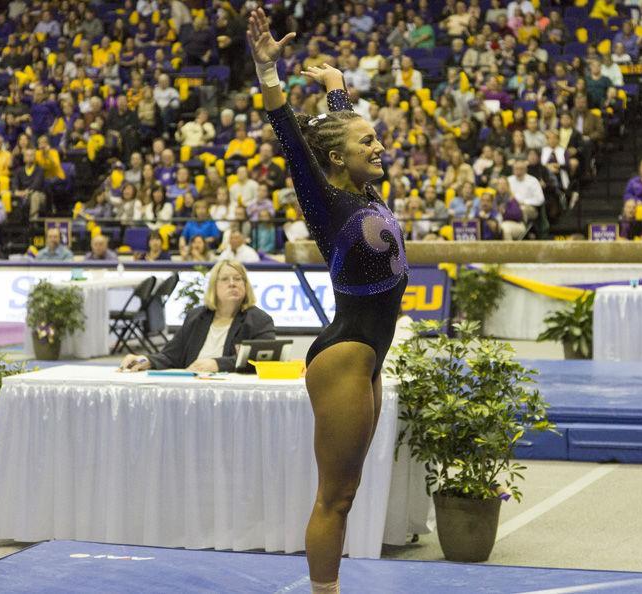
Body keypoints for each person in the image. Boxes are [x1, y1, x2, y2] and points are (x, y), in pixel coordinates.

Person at [248, 10, 408, 594]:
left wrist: (338, 88)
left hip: (369, 355)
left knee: (348, 491)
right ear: (339, 159)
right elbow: (293, 136)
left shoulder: (362, 187)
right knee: (334, 496)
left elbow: (338, 132)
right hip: (345, 353)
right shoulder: (329, 204)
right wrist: (268, 68)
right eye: (369, 140)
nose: (380, 144)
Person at [119, 259, 275, 372]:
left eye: (238, 279)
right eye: (225, 279)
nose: (232, 283)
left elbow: (264, 359)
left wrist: (217, 364)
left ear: (245, 286)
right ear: (214, 286)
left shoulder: (259, 320)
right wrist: (147, 360)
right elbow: (172, 355)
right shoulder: (196, 317)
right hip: (192, 386)